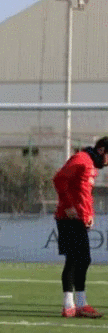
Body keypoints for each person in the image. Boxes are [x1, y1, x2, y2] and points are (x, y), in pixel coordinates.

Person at [53, 136, 108, 318]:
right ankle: (70, 305)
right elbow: (59, 179)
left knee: (83, 260)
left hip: (80, 218)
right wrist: (69, 206)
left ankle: (81, 303)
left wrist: (89, 215)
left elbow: (83, 193)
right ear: (101, 150)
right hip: (69, 217)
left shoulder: (91, 165)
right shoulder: (81, 159)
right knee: (75, 259)